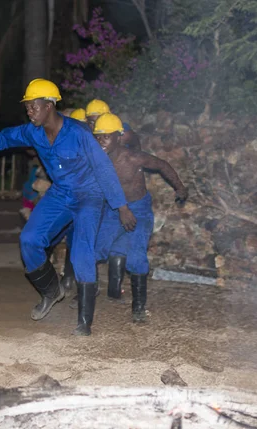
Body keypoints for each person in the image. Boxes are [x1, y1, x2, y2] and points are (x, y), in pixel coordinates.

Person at [0, 78, 136, 336]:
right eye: (27, 107)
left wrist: (121, 206)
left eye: (33, 106)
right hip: (61, 193)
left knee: (82, 251)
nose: (29, 111)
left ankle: (84, 320)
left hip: (89, 195)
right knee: (29, 239)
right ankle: (51, 291)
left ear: (49, 105)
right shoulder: (33, 131)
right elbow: (7, 137)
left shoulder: (79, 133)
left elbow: (103, 168)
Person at [63, 113, 188, 322]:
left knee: (137, 256)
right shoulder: (92, 160)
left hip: (138, 210)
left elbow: (162, 165)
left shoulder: (133, 158)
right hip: (113, 211)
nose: (100, 141)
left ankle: (138, 307)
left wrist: (180, 187)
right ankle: (87, 294)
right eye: (97, 136)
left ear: (118, 137)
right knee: (92, 252)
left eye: (106, 136)